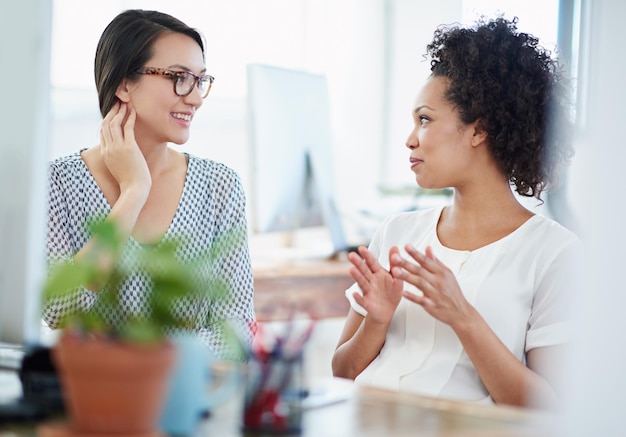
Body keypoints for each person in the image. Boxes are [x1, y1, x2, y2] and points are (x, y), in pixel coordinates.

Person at [331, 16, 581, 408]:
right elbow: (341, 373)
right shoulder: (396, 233)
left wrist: (464, 317)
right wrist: (376, 322)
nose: (410, 139)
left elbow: (550, 409)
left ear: (478, 131)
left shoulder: (554, 252)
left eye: (425, 119)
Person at [43, 9, 255, 359]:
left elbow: (236, 333)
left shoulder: (220, 187)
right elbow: (60, 310)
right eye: (179, 77)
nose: (196, 98)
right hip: (98, 399)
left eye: (200, 80)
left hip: (192, 397)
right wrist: (133, 192)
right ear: (124, 83)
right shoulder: (58, 184)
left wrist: (143, 359)